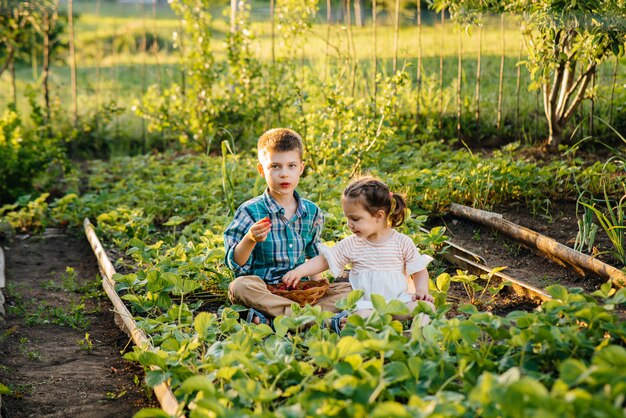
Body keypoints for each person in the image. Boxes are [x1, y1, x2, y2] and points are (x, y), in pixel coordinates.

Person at [223, 128, 352, 325]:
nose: (284, 174)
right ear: (261, 170)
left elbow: (313, 255)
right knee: (239, 287)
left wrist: (317, 285)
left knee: (349, 284)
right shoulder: (250, 211)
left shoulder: (312, 212)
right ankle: (315, 319)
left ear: (301, 168)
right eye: (275, 166)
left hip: (299, 290)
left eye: (291, 165)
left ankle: (274, 318)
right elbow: (236, 263)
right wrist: (250, 239)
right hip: (265, 289)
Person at [283, 176, 434, 329]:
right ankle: (372, 328)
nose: (350, 225)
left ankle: (417, 334)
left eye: (355, 219)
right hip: (365, 304)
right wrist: (300, 271)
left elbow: (419, 271)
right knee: (360, 317)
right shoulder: (353, 243)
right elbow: (324, 260)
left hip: (398, 302)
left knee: (426, 307)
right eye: (348, 218)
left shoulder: (402, 242)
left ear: (379, 216)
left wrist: (421, 290)